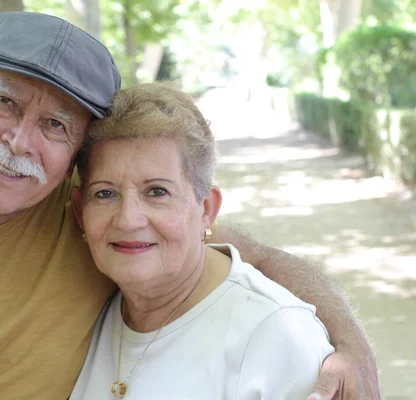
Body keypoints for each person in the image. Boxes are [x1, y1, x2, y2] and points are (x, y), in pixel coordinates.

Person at [0, 11, 378, 400]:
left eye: (55, 125)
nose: (18, 143)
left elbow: (235, 253)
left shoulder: (88, 216)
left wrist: (350, 345)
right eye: (3, 101)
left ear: (73, 159)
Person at [69, 82, 335, 399]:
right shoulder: (89, 315)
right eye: (105, 193)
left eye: (157, 191)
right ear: (79, 211)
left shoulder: (276, 337)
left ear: (206, 209)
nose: (128, 219)